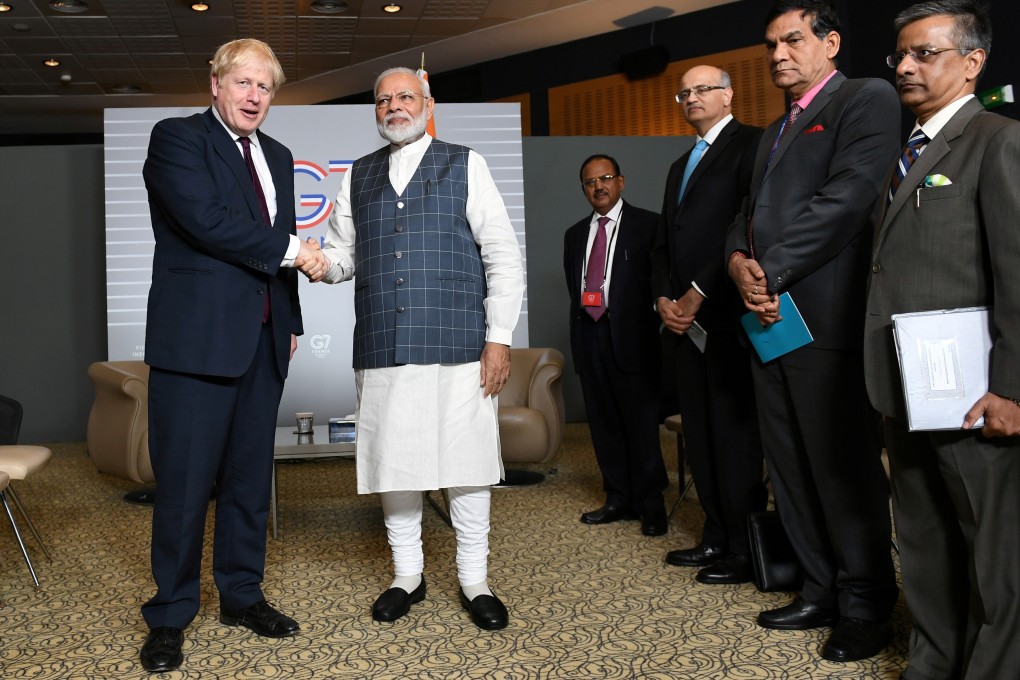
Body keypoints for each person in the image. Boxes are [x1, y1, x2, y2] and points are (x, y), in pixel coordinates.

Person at [139, 38, 328, 673]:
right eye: (243, 83)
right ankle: (169, 612)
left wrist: (292, 317)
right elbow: (207, 221)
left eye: (266, 87)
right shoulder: (177, 139)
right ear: (216, 84)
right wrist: (300, 250)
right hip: (196, 343)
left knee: (249, 484)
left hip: (264, 340)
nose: (254, 97)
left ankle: (241, 596)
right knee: (187, 486)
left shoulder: (275, 154)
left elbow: (272, 246)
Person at [724, 0, 901, 662]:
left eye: (792, 40)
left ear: (830, 42)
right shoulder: (771, 133)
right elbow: (744, 215)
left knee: (841, 465)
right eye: (771, 44)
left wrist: (769, 270)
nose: (777, 55)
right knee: (791, 465)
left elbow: (847, 199)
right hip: (766, 320)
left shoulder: (866, 99)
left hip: (826, 317)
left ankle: (865, 604)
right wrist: (738, 263)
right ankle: (819, 588)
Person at [317, 67, 524, 631]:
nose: (393, 107)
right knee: (396, 465)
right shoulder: (357, 175)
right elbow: (344, 256)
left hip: (460, 344)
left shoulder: (466, 163)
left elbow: (502, 256)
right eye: (383, 100)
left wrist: (499, 339)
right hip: (384, 344)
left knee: (468, 466)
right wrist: (320, 263)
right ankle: (407, 575)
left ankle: (474, 580)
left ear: (428, 103)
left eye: (405, 97)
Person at [864, 3, 1020, 678]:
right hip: (906, 388)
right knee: (923, 545)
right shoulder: (908, 153)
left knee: (992, 557)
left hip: (976, 395)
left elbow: (1017, 273)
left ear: (973, 62)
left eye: (923, 53)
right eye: (899, 55)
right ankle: (932, 664)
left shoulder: (998, 140)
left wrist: (1012, 386)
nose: (904, 66)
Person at [652, 66, 766, 583]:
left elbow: (743, 226)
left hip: (727, 317)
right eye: (685, 92)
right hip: (683, 327)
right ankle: (716, 536)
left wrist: (697, 292)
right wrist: (663, 298)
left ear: (729, 93)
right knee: (699, 435)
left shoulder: (754, 146)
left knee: (734, 437)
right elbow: (664, 241)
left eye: (702, 89)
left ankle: (745, 548)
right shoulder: (679, 164)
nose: (691, 98)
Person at [563, 154, 669, 537]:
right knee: (604, 423)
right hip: (589, 337)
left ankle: (651, 503)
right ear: (584, 189)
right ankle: (618, 498)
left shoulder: (649, 226)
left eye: (605, 178)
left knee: (640, 425)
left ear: (621, 182)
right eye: (590, 182)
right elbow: (574, 292)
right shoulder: (575, 235)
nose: (599, 187)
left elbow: (659, 282)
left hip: (632, 339)